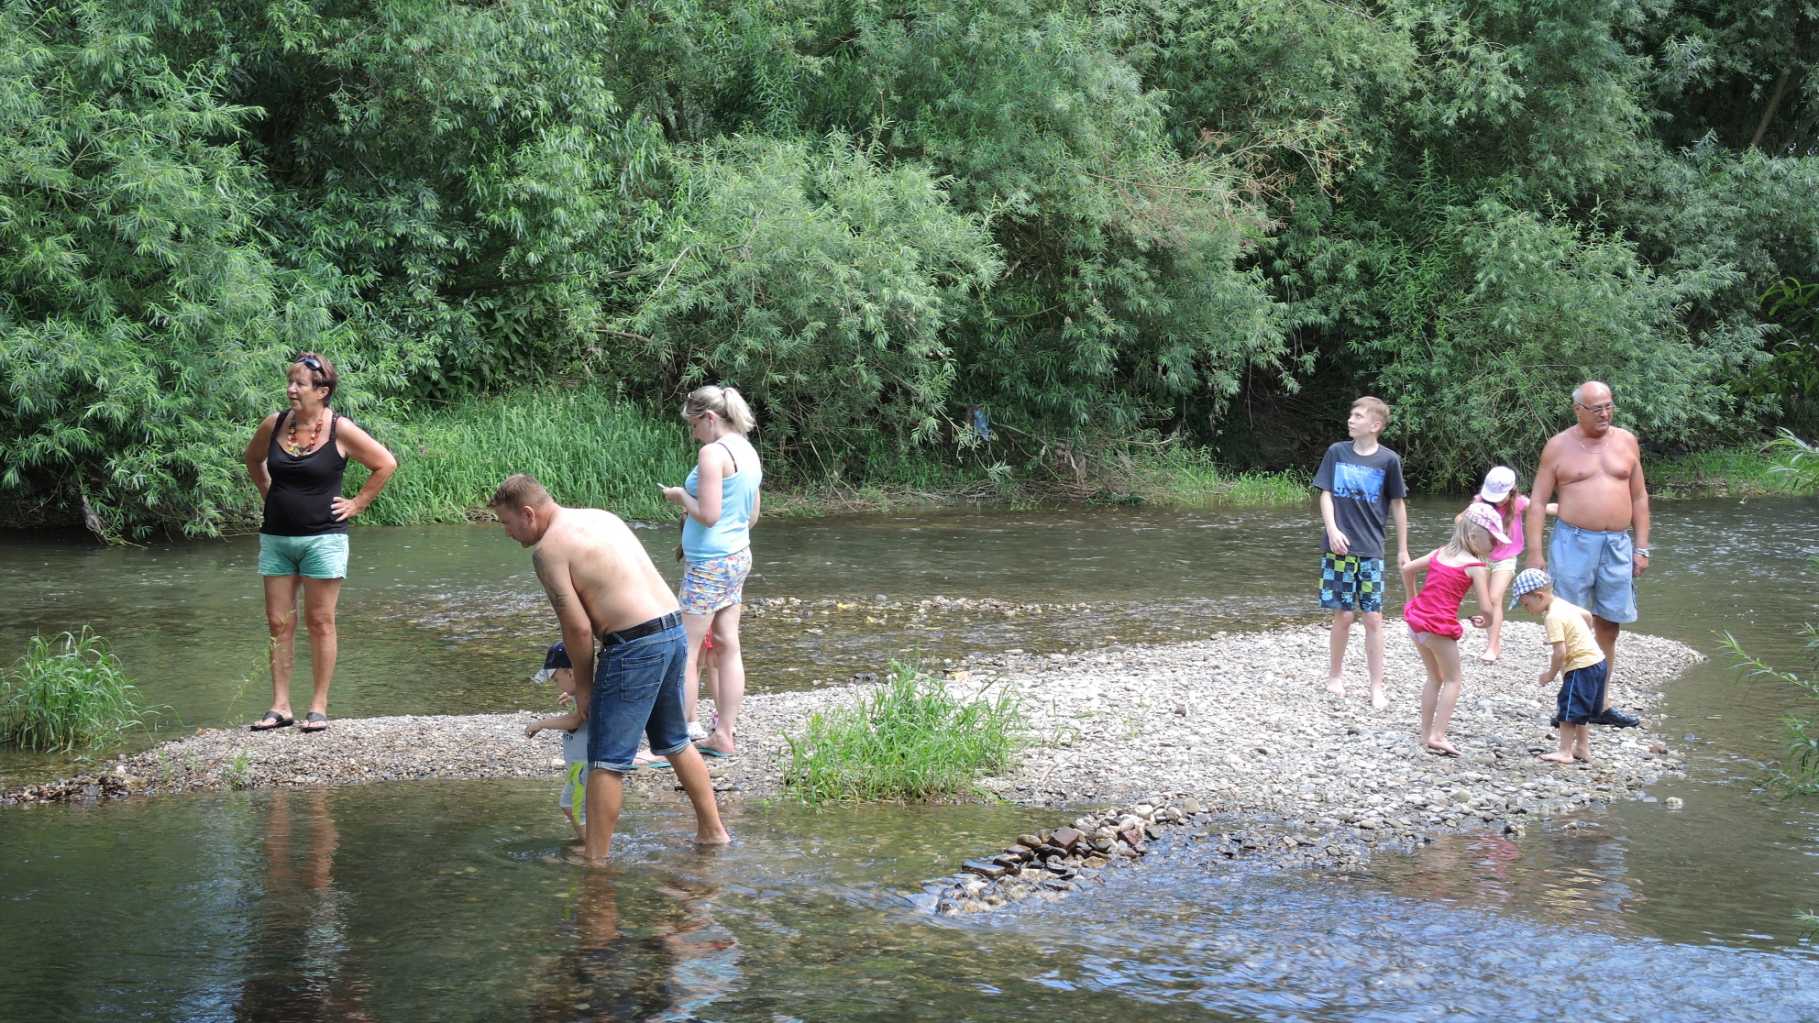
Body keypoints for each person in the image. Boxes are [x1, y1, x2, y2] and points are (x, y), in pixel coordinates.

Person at [490, 473, 730, 862]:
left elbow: (578, 630)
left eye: (506, 522)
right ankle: (713, 832)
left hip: (633, 645)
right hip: (672, 630)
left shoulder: (549, 550)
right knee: (674, 741)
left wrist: (584, 689)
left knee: (606, 760)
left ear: (528, 513)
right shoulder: (600, 517)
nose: (506, 532)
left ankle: (595, 859)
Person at [244, 352, 397, 733]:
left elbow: (385, 463)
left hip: (324, 539)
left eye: (299, 384)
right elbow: (252, 460)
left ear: (322, 391)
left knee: (320, 622)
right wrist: (268, 492)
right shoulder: (274, 423)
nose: (291, 389)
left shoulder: (340, 429)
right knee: (278, 623)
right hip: (277, 537)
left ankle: (318, 706)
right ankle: (280, 706)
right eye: (290, 382)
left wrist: (358, 503)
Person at [1525, 380, 1648, 728]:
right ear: (1578, 410)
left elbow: (1639, 497)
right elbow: (1536, 502)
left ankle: (1600, 704)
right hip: (1572, 542)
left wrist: (1642, 547)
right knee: (1572, 622)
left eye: (1609, 406)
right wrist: (1535, 553)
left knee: (1610, 624)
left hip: (1618, 544)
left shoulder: (1626, 441)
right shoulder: (1558, 446)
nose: (1605, 414)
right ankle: (1572, 705)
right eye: (1597, 409)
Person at [661, 385, 762, 758]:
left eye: (693, 425)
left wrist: (678, 497)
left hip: (708, 564)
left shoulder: (712, 453)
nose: (693, 434)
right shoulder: (748, 451)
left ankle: (681, 735)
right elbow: (751, 515)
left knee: (684, 650)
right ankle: (724, 734)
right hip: (737, 557)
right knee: (727, 645)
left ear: (709, 418)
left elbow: (708, 514)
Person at [1314, 396, 1410, 709]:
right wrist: (1332, 530)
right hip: (1338, 549)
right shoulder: (1336, 452)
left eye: (1358, 416)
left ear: (1375, 425)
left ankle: (1377, 686)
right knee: (1342, 614)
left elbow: (1398, 505)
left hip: (1371, 550)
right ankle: (1335, 676)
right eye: (1351, 414)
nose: (1351, 420)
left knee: (1373, 617)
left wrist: (1402, 549)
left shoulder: (1388, 460)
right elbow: (1326, 494)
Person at [1399, 504, 1502, 757]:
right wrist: (1486, 621)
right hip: (1438, 628)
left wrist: (1412, 599)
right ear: (1474, 536)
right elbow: (1487, 606)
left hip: (1416, 623)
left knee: (1434, 678)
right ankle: (1438, 735)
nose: (1496, 546)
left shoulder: (1440, 552)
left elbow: (1407, 569)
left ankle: (1425, 735)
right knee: (1454, 679)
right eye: (1494, 540)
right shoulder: (1477, 567)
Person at [1509, 569, 1609, 765]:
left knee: (1568, 709)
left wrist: (1550, 674)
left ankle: (1565, 752)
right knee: (1581, 709)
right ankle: (1582, 747)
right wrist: (1580, 634)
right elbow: (1587, 616)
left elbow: (1560, 653)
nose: (1526, 608)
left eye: (1525, 603)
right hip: (1598, 662)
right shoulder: (1562, 604)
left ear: (1539, 596)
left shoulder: (1551, 617)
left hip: (1581, 667)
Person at [1461, 467, 1529, 663]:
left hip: (1507, 557)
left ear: (1512, 491)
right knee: (1486, 601)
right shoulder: (1480, 502)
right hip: (1482, 556)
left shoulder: (1519, 503)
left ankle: (1493, 646)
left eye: (1502, 496)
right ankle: (1492, 642)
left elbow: (1542, 508)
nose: (1498, 500)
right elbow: (1460, 519)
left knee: (1494, 597)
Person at [524, 641, 591, 842]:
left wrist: (542, 724)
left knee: (575, 807)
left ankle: (590, 845)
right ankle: (591, 842)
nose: (556, 685)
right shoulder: (584, 692)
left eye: (555, 680)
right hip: (578, 764)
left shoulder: (586, 697)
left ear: (570, 672)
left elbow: (575, 720)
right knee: (574, 806)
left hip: (583, 764)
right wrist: (572, 693)